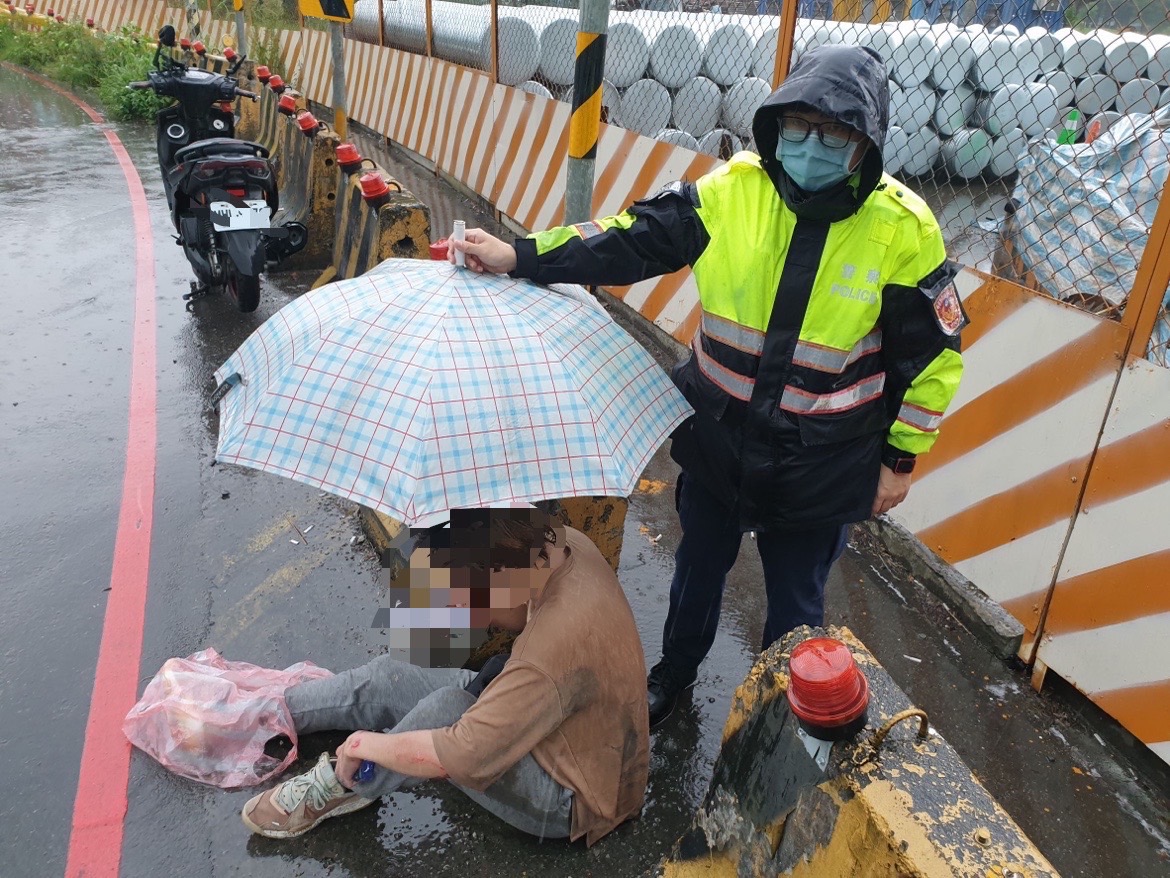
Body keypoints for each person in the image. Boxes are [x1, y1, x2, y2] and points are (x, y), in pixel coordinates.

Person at [448, 45, 966, 728]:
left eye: (835, 133)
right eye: (798, 127)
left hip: (821, 464)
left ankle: (776, 719)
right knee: (696, 574)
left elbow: (932, 360)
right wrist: (521, 255)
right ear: (775, 124)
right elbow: (632, 240)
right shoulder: (733, 190)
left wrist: (899, 461)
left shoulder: (904, 229)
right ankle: (675, 676)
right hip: (720, 440)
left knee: (795, 607)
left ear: (865, 145)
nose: (811, 145)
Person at [241, 509, 649, 846]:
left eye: (474, 601)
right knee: (393, 672)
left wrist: (364, 744)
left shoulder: (545, 656)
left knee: (445, 709)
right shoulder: (561, 541)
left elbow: (464, 755)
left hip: (577, 797)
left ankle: (347, 782)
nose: (474, 618)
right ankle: (274, 711)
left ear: (504, 579)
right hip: (571, 726)